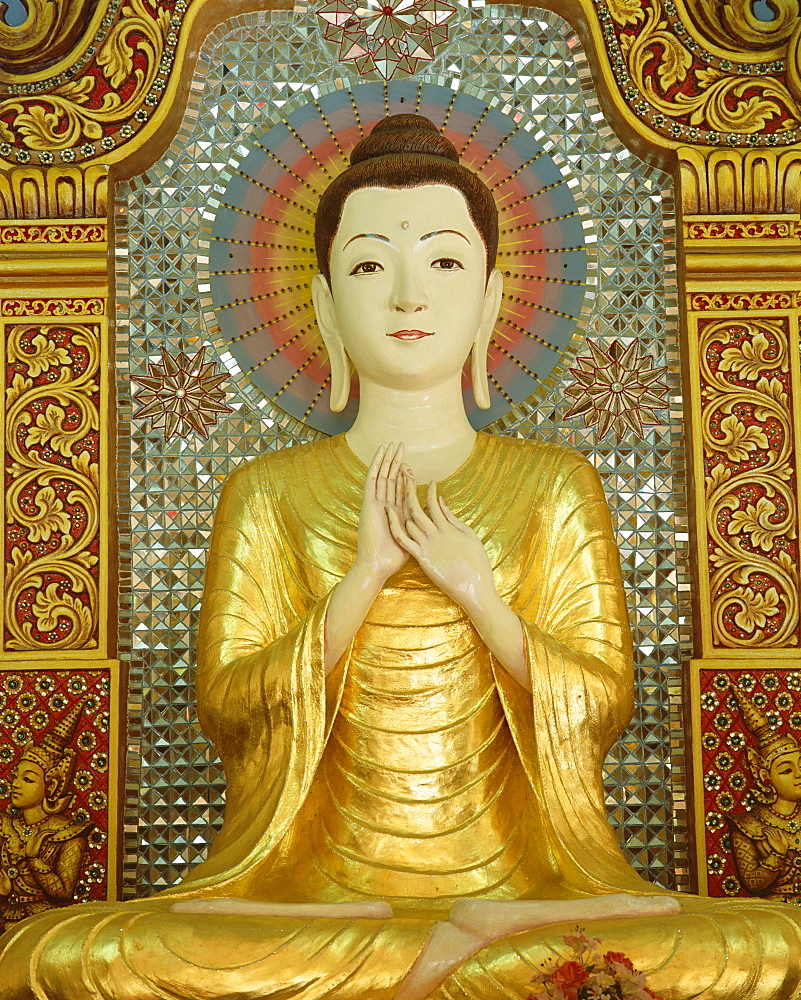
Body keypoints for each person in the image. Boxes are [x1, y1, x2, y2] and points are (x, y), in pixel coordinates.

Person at [2, 113, 801, 1000]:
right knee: (63, 955)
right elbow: (226, 706)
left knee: (770, 945)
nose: (409, 298)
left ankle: (484, 936)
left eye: (446, 263)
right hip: (314, 903)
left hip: (533, 888)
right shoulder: (267, 491)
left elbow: (604, 699)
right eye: (372, 265)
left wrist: (479, 597)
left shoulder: (552, 484)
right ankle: (461, 958)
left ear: (493, 298)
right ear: (323, 302)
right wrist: (358, 584)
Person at [0, 703, 92, 932]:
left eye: (28, 780)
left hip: (44, 927)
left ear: (50, 785)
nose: (16, 785)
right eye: (15, 776)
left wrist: (34, 860)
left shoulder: (69, 833)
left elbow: (64, 892)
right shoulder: (5, 825)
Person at [729, 687, 801, 902]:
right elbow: (751, 883)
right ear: (764, 777)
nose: (798, 775)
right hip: (776, 912)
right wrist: (775, 856)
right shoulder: (748, 825)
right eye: (786, 770)